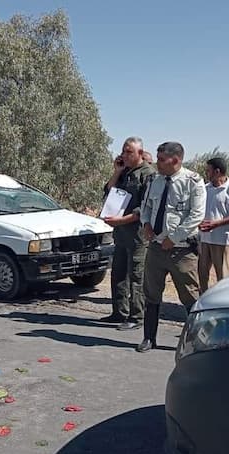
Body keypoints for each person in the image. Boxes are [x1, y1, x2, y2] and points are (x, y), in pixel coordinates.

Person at [137, 141, 205, 352]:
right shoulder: (155, 180)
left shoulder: (193, 181)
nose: (157, 163)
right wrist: (146, 224)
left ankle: (195, 342)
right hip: (157, 247)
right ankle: (149, 338)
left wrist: (174, 238)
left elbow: (196, 215)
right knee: (151, 294)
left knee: (190, 297)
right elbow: (146, 206)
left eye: (161, 159)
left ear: (175, 160)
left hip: (182, 250)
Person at [100, 137, 156, 330]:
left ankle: (137, 316)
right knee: (118, 274)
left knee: (136, 276)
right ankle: (119, 312)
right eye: (123, 151)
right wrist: (117, 172)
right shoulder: (124, 173)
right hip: (121, 234)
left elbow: (145, 208)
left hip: (137, 235)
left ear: (140, 153)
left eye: (129, 152)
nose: (124, 155)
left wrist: (122, 220)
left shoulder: (148, 174)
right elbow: (108, 192)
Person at [198, 157, 229, 292]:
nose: (206, 173)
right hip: (205, 239)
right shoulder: (205, 189)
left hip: (223, 239)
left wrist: (216, 224)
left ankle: (223, 301)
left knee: (223, 275)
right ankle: (203, 301)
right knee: (202, 273)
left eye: (208, 170)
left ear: (217, 171)